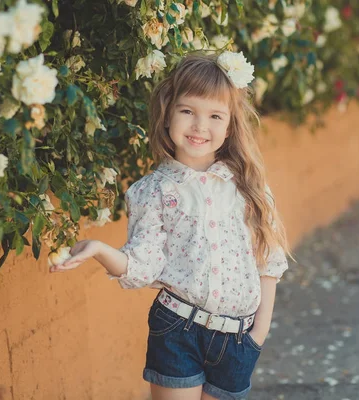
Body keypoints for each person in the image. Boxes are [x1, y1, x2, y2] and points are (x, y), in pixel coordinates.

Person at [49, 51, 290, 400]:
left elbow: (269, 258)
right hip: (178, 329)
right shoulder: (153, 192)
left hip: (239, 339)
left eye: (215, 115)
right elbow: (143, 264)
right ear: (167, 114)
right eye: (188, 111)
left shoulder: (247, 185)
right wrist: (100, 250)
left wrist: (260, 331)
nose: (199, 126)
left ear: (229, 126)